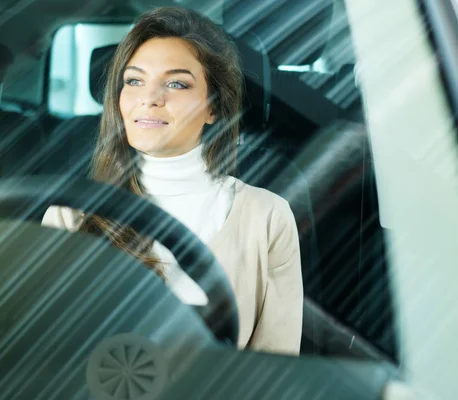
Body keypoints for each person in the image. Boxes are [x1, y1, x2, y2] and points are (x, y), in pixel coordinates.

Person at [42, 6, 303, 355]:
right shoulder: (70, 215)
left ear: (214, 107)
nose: (149, 98)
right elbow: (40, 358)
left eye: (176, 83)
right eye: (134, 81)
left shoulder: (267, 217)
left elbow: (276, 370)